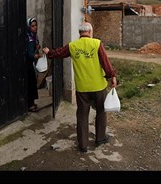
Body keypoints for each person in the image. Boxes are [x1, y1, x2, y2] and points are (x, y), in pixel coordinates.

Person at [42, 22, 117, 153]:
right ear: (90, 32)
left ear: (79, 33)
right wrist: (112, 76)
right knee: (101, 111)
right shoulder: (97, 44)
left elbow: (58, 53)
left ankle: (83, 145)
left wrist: (49, 53)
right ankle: (100, 138)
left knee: (82, 115)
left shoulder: (73, 46)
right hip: (98, 86)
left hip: (82, 88)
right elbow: (105, 62)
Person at [26, 17, 42, 112]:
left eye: (36, 25)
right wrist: (38, 56)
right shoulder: (29, 38)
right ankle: (30, 105)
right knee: (30, 84)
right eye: (32, 26)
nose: (35, 27)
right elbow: (29, 54)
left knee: (32, 83)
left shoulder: (33, 36)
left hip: (31, 65)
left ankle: (31, 103)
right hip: (27, 65)